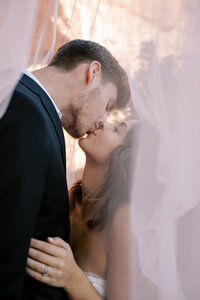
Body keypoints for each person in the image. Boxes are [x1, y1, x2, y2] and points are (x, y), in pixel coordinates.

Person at [0, 39, 130, 300]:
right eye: (107, 105)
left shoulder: (27, 103)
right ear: (92, 73)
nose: (102, 120)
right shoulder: (29, 116)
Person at [26, 121, 138, 300]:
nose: (103, 122)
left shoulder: (124, 221)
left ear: (126, 156)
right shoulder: (72, 198)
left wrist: (73, 279)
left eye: (116, 130)